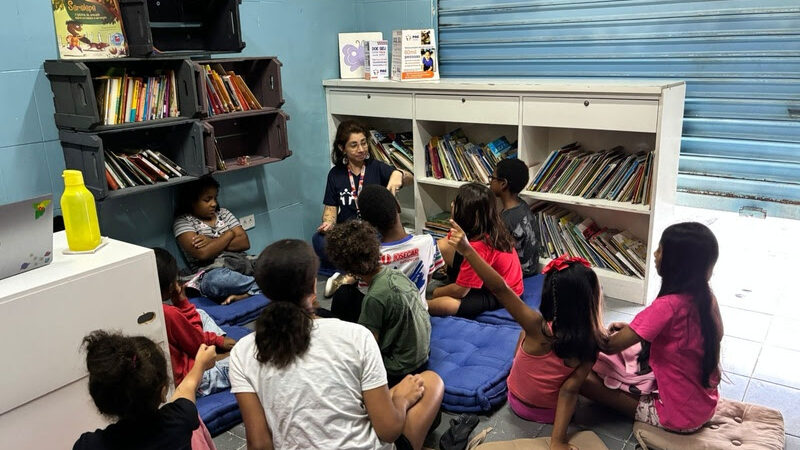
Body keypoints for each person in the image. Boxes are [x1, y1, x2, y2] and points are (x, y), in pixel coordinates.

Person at [229, 239, 443, 450]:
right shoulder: (356, 336)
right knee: (430, 382)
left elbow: (259, 444)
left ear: (264, 291)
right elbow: (388, 430)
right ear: (314, 284)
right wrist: (402, 401)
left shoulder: (242, 352)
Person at [446, 221, 606, 450]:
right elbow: (569, 391)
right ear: (591, 299)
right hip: (550, 413)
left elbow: (500, 288)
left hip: (515, 402)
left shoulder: (535, 326)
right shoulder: (593, 341)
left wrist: (467, 250)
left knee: (523, 334)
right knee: (583, 379)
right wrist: (558, 441)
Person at [581, 222, 723, 433]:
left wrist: (590, 308)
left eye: (660, 249)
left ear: (676, 264)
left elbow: (608, 346)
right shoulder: (706, 298)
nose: (654, 254)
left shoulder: (666, 306)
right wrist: (634, 328)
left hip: (679, 418)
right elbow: (698, 335)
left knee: (580, 378)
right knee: (633, 357)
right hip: (705, 405)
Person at [326, 220, 432, 385]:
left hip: (399, 370)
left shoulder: (374, 298)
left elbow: (368, 349)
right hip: (423, 357)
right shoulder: (395, 274)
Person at [73, 330, 217, 450]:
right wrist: (201, 363)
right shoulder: (179, 420)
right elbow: (187, 388)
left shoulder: (88, 445)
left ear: (101, 403)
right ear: (163, 393)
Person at [326, 184, 444, 320]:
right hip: (419, 316)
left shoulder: (371, 256)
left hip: (384, 320)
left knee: (343, 293)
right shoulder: (428, 242)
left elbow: (368, 293)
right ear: (398, 207)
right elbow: (427, 279)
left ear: (367, 223)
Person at [313, 120, 413, 274]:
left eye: (363, 143)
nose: (361, 149)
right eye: (354, 145)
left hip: (373, 232)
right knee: (318, 239)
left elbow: (409, 178)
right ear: (342, 148)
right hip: (347, 232)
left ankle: (346, 272)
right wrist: (328, 224)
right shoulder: (335, 174)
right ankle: (359, 270)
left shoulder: (376, 167)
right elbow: (330, 212)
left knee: (377, 241)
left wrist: (398, 174)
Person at [428, 182, 523, 318]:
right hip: (490, 280)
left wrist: (434, 291)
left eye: (456, 202)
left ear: (465, 213)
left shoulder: (479, 247)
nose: (451, 204)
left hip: (504, 293)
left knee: (450, 304)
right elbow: (441, 245)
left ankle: (420, 305)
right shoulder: (484, 226)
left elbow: (460, 292)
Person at [154, 247, 236, 397]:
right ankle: (217, 356)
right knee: (250, 357)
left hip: (182, 357)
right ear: (171, 286)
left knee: (200, 313)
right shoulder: (168, 313)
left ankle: (216, 350)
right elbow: (197, 345)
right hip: (192, 378)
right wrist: (183, 302)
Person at [173, 175, 260, 305]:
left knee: (275, 260)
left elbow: (244, 242)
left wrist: (210, 241)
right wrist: (229, 234)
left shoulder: (223, 213)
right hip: (212, 271)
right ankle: (261, 285)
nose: (213, 204)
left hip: (240, 262)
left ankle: (250, 289)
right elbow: (203, 253)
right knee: (217, 281)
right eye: (207, 199)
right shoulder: (183, 222)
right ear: (191, 201)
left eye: (215, 198)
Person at [489, 158, 539, 277]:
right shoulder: (522, 206)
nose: (490, 182)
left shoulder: (506, 220)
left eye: (492, 178)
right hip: (530, 270)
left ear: (503, 184)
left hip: (515, 276)